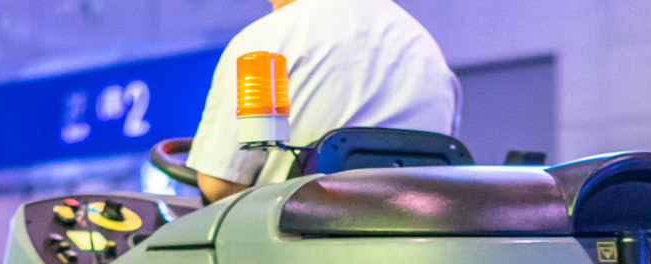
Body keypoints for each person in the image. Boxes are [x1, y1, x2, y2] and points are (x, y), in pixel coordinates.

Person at [186, 0, 460, 205]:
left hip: (290, 260)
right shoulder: (426, 48)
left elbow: (220, 185)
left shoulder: (264, 42)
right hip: (414, 254)